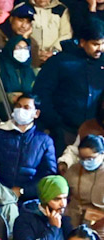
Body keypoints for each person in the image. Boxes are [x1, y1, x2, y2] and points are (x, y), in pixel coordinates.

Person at [33, 18, 104, 148]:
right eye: (95, 44)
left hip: (96, 134)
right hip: (63, 131)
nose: (100, 49)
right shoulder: (59, 61)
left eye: (103, 43)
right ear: (82, 42)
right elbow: (41, 93)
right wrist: (55, 123)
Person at [12, 174, 70, 240]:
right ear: (44, 199)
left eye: (65, 198)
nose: (63, 204)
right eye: (57, 199)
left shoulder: (64, 219)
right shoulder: (25, 220)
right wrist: (52, 229)